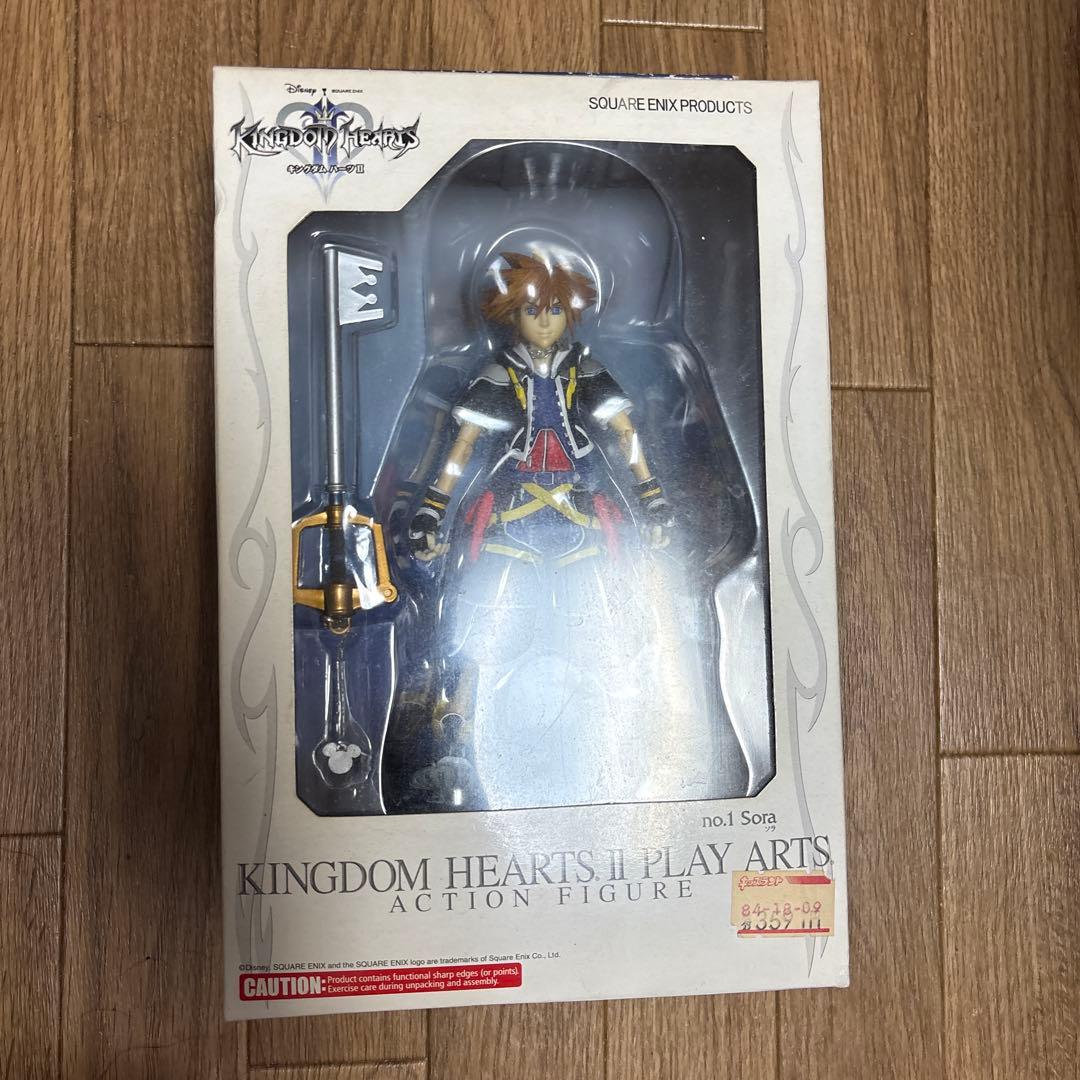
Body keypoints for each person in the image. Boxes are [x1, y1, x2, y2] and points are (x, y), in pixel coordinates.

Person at [401, 251, 674, 811]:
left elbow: (626, 434)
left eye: (553, 310)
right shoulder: (497, 375)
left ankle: (627, 731)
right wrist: (432, 508)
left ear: (569, 315)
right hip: (514, 518)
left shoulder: (586, 372)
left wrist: (653, 500)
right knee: (482, 627)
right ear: (512, 316)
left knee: (604, 624)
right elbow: (463, 447)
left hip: (579, 519)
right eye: (532, 310)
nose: (544, 321)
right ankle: (457, 731)